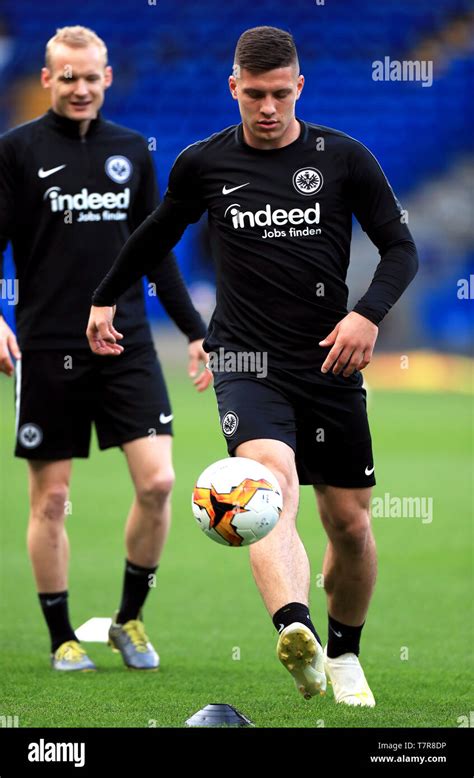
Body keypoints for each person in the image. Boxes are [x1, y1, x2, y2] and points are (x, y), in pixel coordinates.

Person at [86, 26, 418, 705]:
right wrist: (103, 299)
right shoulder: (202, 164)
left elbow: (400, 249)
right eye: (254, 95)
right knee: (270, 486)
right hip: (245, 358)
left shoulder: (343, 158)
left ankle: (346, 653)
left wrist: (367, 314)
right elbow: (152, 236)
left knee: (351, 525)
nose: (267, 109)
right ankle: (296, 631)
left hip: (328, 361)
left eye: (279, 95)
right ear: (233, 89)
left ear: (300, 87)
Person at [0, 25, 210, 672]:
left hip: (128, 345)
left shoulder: (132, 152)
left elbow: (157, 256)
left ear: (108, 77)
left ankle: (129, 620)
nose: (81, 88)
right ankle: (63, 633)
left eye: (92, 77)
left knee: (160, 482)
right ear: (47, 80)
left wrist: (196, 332)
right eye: (68, 78)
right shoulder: (15, 152)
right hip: (49, 344)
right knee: (53, 500)